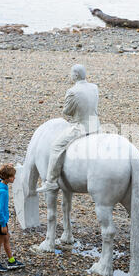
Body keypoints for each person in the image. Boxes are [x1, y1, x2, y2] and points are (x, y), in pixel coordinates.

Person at [42, 64, 101, 193]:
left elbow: (67, 112)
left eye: (71, 73)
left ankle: (51, 181)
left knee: (56, 147)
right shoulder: (94, 87)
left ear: (75, 75)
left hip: (81, 127)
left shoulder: (72, 91)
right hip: (96, 125)